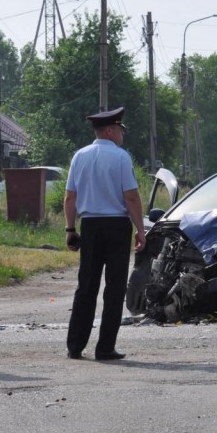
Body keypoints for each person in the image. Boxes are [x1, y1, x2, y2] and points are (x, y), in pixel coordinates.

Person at [64, 107, 146, 361]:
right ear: (110, 130)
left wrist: (70, 229)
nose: (122, 134)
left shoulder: (80, 156)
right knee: (114, 287)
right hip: (116, 227)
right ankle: (105, 348)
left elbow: (70, 197)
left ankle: (75, 346)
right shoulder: (121, 157)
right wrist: (141, 230)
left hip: (89, 226)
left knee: (86, 286)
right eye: (120, 130)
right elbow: (131, 197)